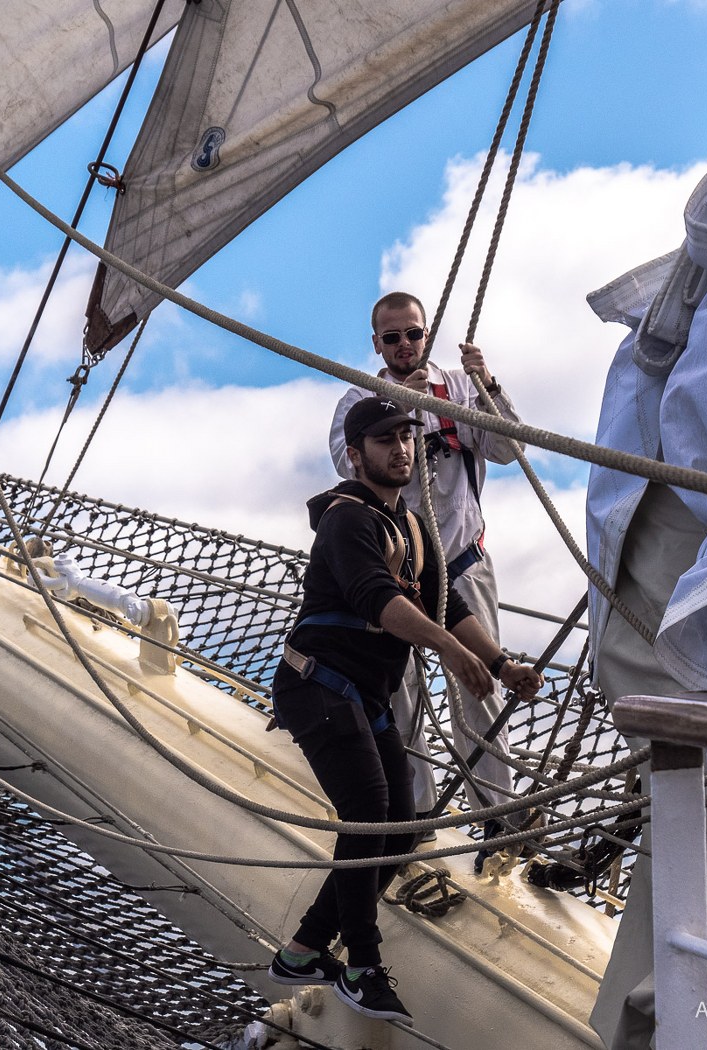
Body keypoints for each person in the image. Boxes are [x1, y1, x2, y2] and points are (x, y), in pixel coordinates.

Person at [269, 396, 541, 1025]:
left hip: (363, 698)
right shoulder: (346, 519)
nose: (401, 449)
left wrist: (500, 664)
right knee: (368, 815)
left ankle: (304, 950)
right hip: (318, 686)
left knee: (403, 828)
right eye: (385, 440)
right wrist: (450, 651)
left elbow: (449, 606)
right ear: (354, 454)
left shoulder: (414, 528)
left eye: (407, 438)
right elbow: (377, 599)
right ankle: (361, 967)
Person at [329, 292, 525, 865]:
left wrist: (488, 385)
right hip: (399, 570)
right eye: (392, 338)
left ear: (426, 334)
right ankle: (416, 818)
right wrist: (397, 407)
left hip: (462, 562)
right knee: (400, 692)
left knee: (479, 688)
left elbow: (509, 448)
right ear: (376, 344)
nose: (405, 345)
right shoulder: (356, 399)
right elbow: (345, 464)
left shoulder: (459, 387)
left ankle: (498, 818)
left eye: (413, 334)